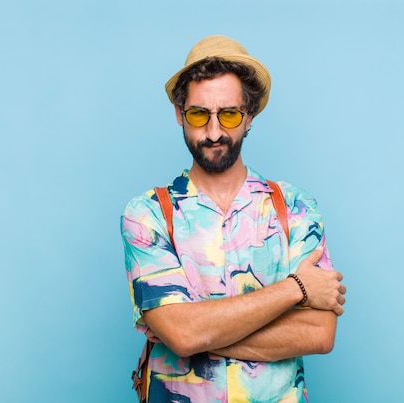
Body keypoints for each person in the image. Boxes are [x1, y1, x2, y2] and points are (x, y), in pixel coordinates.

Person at [121, 35, 347, 403]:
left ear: (249, 117)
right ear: (179, 114)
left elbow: (319, 333)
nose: (214, 132)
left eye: (229, 114)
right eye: (198, 114)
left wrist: (197, 332)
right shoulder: (147, 215)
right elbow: (182, 335)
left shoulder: (295, 208)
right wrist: (296, 289)